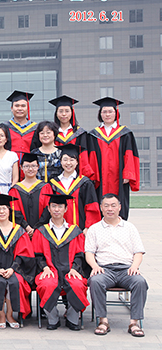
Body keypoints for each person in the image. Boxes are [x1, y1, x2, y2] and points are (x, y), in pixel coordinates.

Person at [86, 193, 148, 337]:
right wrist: (95, 266)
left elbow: (138, 252)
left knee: (140, 282)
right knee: (95, 281)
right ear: (101, 208)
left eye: (113, 205)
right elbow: (89, 252)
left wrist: (134, 266)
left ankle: (134, 323)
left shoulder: (129, 227)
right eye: (106, 206)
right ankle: (103, 321)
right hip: (105, 269)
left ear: (119, 207)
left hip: (126, 269)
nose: (110, 209)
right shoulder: (94, 229)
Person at [32, 194, 89, 331]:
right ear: (49, 209)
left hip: (71, 270)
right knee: (47, 284)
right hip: (50, 270)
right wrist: (44, 267)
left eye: (60, 206)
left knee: (77, 284)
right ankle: (53, 318)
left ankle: (72, 319)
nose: (56, 209)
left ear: (66, 209)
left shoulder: (75, 231)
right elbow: (37, 254)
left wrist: (75, 268)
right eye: (53, 206)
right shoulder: (41, 231)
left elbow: (80, 254)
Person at [0, 194, 35, 329]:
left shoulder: (19, 231)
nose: (1, 211)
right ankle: (1, 315)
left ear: (10, 211)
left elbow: (24, 253)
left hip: (14, 270)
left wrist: (12, 268)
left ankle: (10, 315)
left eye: (4, 208)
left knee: (15, 282)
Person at [88, 97, 140, 220]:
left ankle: (120, 225)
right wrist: (93, 176)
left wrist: (128, 174)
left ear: (116, 113)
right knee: (100, 201)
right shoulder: (93, 134)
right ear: (100, 114)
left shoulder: (125, 133)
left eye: (110, 111)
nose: (107, 115)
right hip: (101, 177)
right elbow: (92, 156)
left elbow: (130, 154)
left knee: (120, 201)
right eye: (104, 112)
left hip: (119, 177)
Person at [43, 144, 100, 231]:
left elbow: (91, 207)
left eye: (72, 160)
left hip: (80, 230)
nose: (68, 163)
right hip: (57, 230)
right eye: (65, 159)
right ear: (61, 161)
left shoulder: (85, 183)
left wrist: (88, 227)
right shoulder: (53, 184)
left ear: (77, 162)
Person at [48, 95, 95, 180]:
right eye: (60, 111)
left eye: (67, 111)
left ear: (72, 113)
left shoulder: (80, 133)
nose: (64, 114)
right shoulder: (51, 132)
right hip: (55, 174)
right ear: (56, 113)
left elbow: (83, 157)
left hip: (75, 175)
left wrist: (83, 175)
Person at [8, 153, 53, 236]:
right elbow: (15, 212)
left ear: (38, 167)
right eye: (27, 166)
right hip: (22, 232)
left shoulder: (45, 187)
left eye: (33, 166)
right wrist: (27, 227)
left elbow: (48, 210)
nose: (30, 169)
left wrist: (37, 228)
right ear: (21, 167)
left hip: (42, 232)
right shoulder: (15, 190)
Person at [3, 91, 37, 157]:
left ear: (28, 108)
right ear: (12, 108)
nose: (20, 108)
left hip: (30, 163)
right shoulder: (4, 128)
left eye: (23, 106)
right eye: (17, 106)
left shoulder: (36, 129)